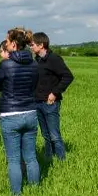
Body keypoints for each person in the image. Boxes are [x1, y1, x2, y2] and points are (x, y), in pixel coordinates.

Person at [0, 28, 40, 196]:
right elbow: (34, 84)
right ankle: (35, 192)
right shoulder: (34, 63)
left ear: (13, 43)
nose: (5, 43)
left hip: (10, 114)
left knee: (13, 159)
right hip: (30, 112)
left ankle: (16, 195)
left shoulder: (6, 64)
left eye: (6, 40)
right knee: (31, 157)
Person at [30, 32, 74, 162]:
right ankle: (48, 158)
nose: (31, 47)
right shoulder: (37, 60)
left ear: (41, 45)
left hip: (50, 102)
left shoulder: (54, 59)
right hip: (37, 101)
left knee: (54, 135)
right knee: (45, 134)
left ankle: (61, 160)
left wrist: (54, 93)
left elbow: (68, 77)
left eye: (32, 45)